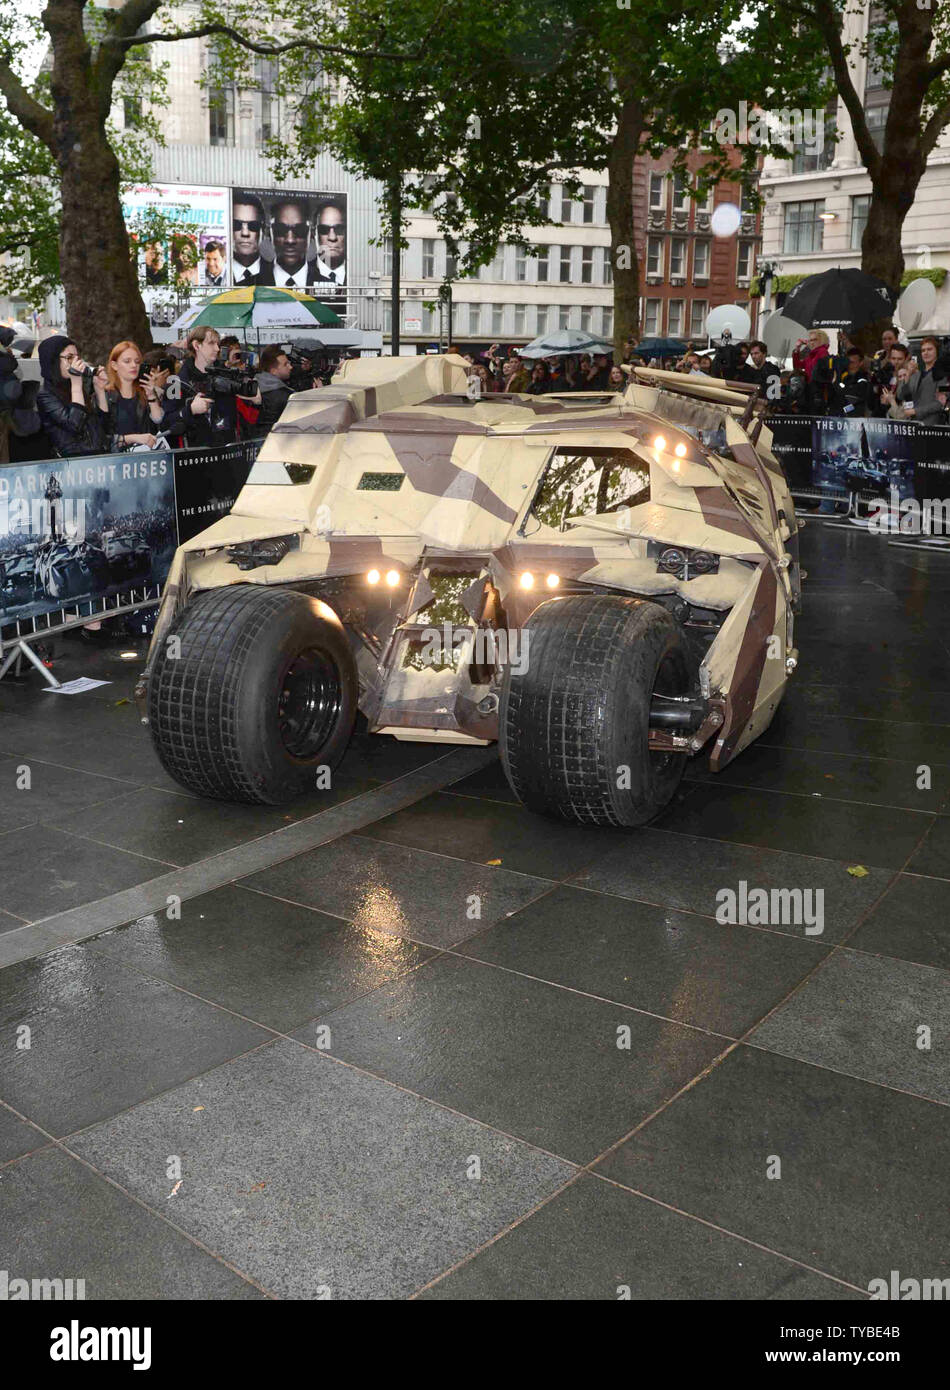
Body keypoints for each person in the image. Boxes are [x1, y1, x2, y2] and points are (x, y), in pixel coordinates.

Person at [176, 326, 259, 446]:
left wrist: (256, 403)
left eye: (217, 344)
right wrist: (190, 410)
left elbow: (249, 419)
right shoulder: (177, 381)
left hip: (228, 452)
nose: (217, 348)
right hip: (194, 455)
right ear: (196, 345)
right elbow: (166, 423)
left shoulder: (228, 376)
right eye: (211, 343)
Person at [36, 335, 109, 457]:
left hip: (97, 458)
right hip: (71, 464)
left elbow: (104, 427)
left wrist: (100, 391)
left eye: (77, 357)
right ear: (53, 360)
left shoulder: (78, 386)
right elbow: (74, 425)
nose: (75, 363)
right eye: (69, 357)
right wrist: (76, 385)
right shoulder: (45, 395)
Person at [97, 340, 169, 450]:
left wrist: (151, 396)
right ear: (114, 365)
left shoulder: (145, 392)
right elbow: (102, 437)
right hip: (116, 461)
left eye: (137, 361)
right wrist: (134, 438)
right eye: (127, 361)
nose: (134, 365)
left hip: (146, 459)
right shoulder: (105, 395)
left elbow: (158, 421)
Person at [259, 198, 311, 288]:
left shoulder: (329, 284)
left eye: (299, 230)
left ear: (309, 234)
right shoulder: (251, 283)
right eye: (281, 230)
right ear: (270, 234)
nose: (290, 240)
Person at [254, 345, 294, 436]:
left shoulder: (253, 387)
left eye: (289, 363)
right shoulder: (286, 395)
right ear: (273, 371)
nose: (290, 367)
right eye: (285, 364)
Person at [231, 195, 267, 285]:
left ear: (262, 230)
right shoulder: (220, 270)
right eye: (237, 225)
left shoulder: (275, 272)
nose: (245, 233)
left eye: (253, 225)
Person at [310, 199, 346, 286]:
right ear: (315, 233)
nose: (332, 237)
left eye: (339, 229)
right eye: (324, 230)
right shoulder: (303, 274)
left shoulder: (355, 272)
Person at [837, 347, 872, 417]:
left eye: (853, 363)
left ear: (861, 363)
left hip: (858, 421)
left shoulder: (864, 381)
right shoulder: (844, 378)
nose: (850, 366)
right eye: (848, 362)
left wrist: (844, 410)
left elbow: (859, 404)